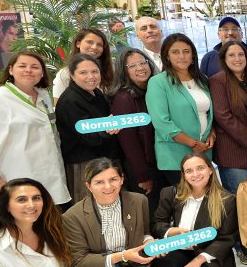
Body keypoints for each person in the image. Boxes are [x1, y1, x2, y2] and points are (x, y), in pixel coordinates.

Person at [0, 51, 70, 207]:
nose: (28, 70)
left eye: (35, 67)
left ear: (42, 73)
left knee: (48, 215)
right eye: (22, 66)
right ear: (11, 70)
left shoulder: (44, 96)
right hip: (16, 174)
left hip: (49, 173)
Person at [151, 152, 238, 267]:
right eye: (189, 171)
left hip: (209, 254)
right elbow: (157, 223)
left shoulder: (227, 200)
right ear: (183, 175)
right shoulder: (170, 193)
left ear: (210, 170)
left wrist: (198, 260)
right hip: (180, 250)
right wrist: (172, 231)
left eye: (200, 168)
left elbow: (226, 239)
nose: (195, 174)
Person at [145, 33, 214, 185]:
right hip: (176, 155)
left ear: (193, 55)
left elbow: (209, 113)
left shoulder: (202, 80)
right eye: (175, 52)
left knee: (207, 197)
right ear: (167, 56)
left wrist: (212, 133)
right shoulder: (158, 82)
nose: (182, 56)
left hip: (204, 152)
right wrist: (194, 144)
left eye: (186, 51)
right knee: (185, 198)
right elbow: (162, 122)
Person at [55, 54, 122, 204]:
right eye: (83, 72)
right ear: (72, 75)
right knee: (89, 209)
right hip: (85, 165)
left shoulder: (96, 92)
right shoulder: (70, 101)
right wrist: (107, 129)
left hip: (105, 159)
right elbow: (88, 138)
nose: (91, 77)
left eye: (94, 71)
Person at [111, 49, 165, 213]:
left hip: (160, 163)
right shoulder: (123, 99)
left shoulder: (154, 90)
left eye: (143, 62)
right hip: (144, 169)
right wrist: (143, 176)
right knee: (153, 213)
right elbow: (129, 142)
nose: (140, 68)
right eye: (133, 65)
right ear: (124, 71)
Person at [209, 40, 247, 194]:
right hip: (233, 147)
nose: (237, 59)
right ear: (224, 59)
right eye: (231, 55)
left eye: (241, 54)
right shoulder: (218, 81)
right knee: (240, 195)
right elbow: (223, 115)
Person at [52, 28, 115, 99]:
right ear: (78, 43)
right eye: (90, 42)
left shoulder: (110, 71)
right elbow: (58, 103)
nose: (94, 47)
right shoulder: (64, 74)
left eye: (99, 45)